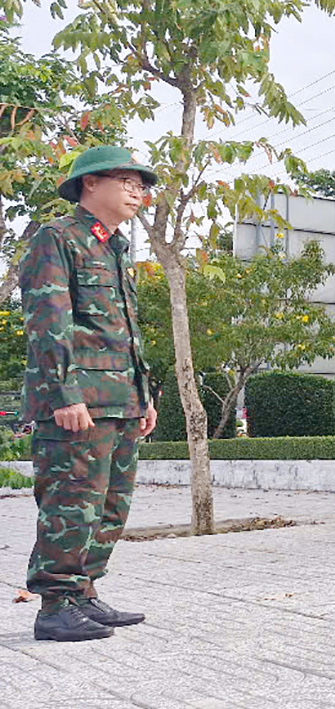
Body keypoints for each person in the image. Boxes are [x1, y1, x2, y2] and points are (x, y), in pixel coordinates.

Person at [22, 146, 159, 641]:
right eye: (126, 180)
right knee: (71, 503)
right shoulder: (57, 238)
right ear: (89, 184)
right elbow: (48, 323)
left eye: (142, 185)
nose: (137, 191)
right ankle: (55, 607)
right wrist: (64, 394)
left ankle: (84, 593)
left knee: (110, 506)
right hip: (77, 402)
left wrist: (143, 395)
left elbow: (123, 333)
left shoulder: (115, 248)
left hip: (119, 399)